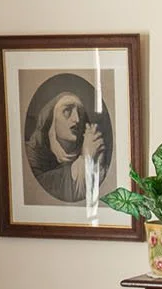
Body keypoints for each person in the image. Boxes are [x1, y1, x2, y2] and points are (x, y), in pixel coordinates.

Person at [23, 74, 111, 203]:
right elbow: (37, 189)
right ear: (51, 119)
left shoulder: (91, 146)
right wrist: (85, 160)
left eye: (80, 113)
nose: (76, 119)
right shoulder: (32, 153)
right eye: (67, 111)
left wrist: (97, 163)